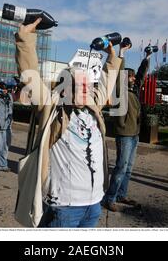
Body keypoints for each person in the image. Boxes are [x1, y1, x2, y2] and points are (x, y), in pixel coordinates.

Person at [15, 18, 123, 228]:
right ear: (64, 88)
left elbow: (106, 83)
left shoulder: (93, 106)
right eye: (78, 84)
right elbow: (29, 76)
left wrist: (112, 58)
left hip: (93, 205)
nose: (86, 88)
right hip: (65, 207)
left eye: (88, 84)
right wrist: (25, 38)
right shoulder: (52, 107)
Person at [102, 48, 152, 212]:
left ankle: (121, 194)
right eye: (130, 76)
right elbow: (119, 75)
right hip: (124, 134)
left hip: (134, 135)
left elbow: (142, 74)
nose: (133, 78)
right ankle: (109, 198)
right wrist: (121, 53)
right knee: (121, 167)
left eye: (132, 76)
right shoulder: (120, 91)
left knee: (128, 168)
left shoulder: (134, 90)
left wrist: (147, 58)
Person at [0, 82, 13, 172]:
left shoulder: (9, 97)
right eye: (2, 89)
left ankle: (2, 165)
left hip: (7, 127)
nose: (4, 90)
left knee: (5, 148)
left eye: (6, 89)